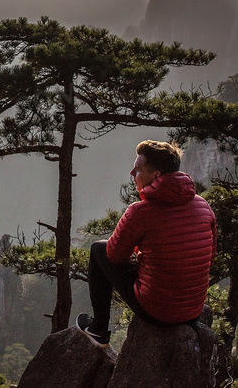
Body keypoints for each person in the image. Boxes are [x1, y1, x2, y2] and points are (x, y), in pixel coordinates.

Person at [76, 140, 216, 347]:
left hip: (158, 313)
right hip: (193, 311)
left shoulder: (141, 212)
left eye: (138, 169)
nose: (132, 173)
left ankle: (98, 330)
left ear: (156, 176)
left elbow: (114, 256)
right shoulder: (203, 205)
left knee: (98, 249)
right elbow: (210, 255)